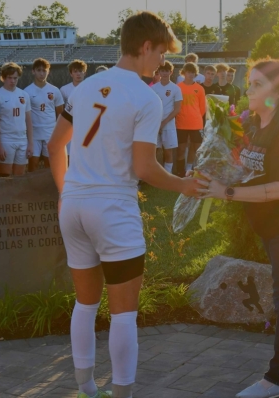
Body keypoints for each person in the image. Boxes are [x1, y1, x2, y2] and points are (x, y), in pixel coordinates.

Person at [47, 11, 202, 398]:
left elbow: (54, 146)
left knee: (84, 305)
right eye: (161, 54)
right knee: (123, 314)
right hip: (112, 210)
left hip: (74, 207)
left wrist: (68, 192)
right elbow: (145, 168)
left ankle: (86, 388)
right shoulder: (145, 97)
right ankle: (122, 394)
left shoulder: (81, 88)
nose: (162, 63)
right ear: (145, 46)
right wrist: (184, 184)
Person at [196, 59, 279, 398]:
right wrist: (217, 169)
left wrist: (228, 193)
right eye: (248, 83)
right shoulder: (254, 124)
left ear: (277, 93)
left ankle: (275, 380)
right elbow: (245, 166)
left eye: (256, 84)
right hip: (273, 228)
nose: (247, 90)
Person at [0, 62, 33, 177]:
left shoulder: (24, 94)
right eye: (9, 78)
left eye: (15, 78)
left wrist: (30, 143)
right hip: (6, 140)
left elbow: (29, 121)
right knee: (4, 177)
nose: (13, 81)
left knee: (19, 178)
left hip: (22, 140)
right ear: (3, 78)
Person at [24, 58, 64, 172]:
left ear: (48, 72)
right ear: (33, 71)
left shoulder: (54, 90)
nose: (42, 73)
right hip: (34, 134)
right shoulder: (27, 91)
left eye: (44, 70)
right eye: (39, 70)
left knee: (49, 165)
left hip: (50, 133)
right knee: (33, 164)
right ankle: (31, 189)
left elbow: (60, 114)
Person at [175, 62, 206, 176]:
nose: (191, 74)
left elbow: (202, 108)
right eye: (188, 72)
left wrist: (195, 116)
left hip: (196, 123)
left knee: (195, 148)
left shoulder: (200, 88)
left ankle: (189, 169)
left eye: (193, 72)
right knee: (181, 149)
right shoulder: (178, 87)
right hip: (181, 123)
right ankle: (180, 171)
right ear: (184, 73)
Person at [151, 61, 182, 173]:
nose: (164, 73)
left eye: (166, 71)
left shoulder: (176, 89)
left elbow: (177, 109)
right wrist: (156, 123)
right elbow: (150, 107)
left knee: (168, 152)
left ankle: (167, 176)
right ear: (158, 72)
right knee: (154, 151)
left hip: (168, 125)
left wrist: (164, 123)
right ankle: (153, 175)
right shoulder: (153, 88)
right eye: (162, 71)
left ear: (171, 72)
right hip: (155, 125)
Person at [60, 60, 87, 157]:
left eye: (80, 71)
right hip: (70, 128)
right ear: (71, 74)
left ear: (85, 72)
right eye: (75, 71)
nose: (78, 74)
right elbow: (62, 111)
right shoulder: (64, 89)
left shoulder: (91, 88)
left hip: (86, 127)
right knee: (69, 156)